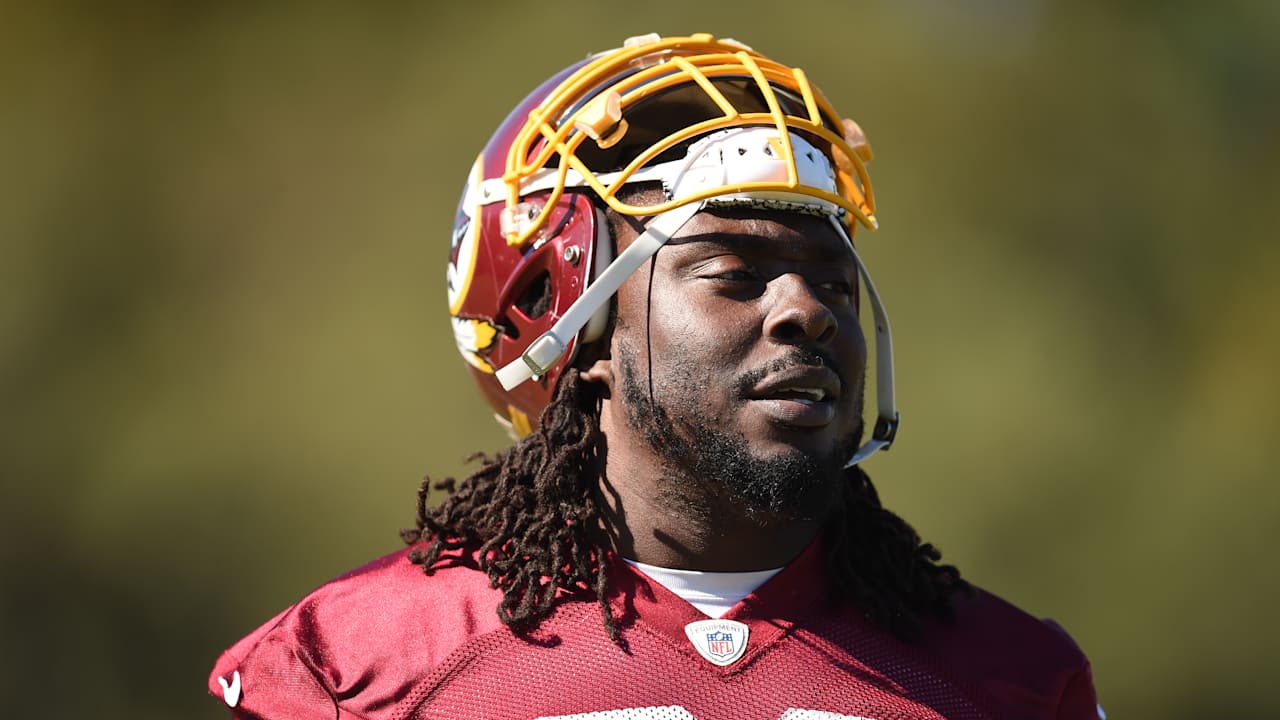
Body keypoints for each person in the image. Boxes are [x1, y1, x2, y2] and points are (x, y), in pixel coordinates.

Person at [208, 33, 1102, 719]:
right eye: (733, 273)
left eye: (833, 279)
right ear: (582, 329)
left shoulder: (1015, 679)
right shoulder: (354, 671)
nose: (809, 312)